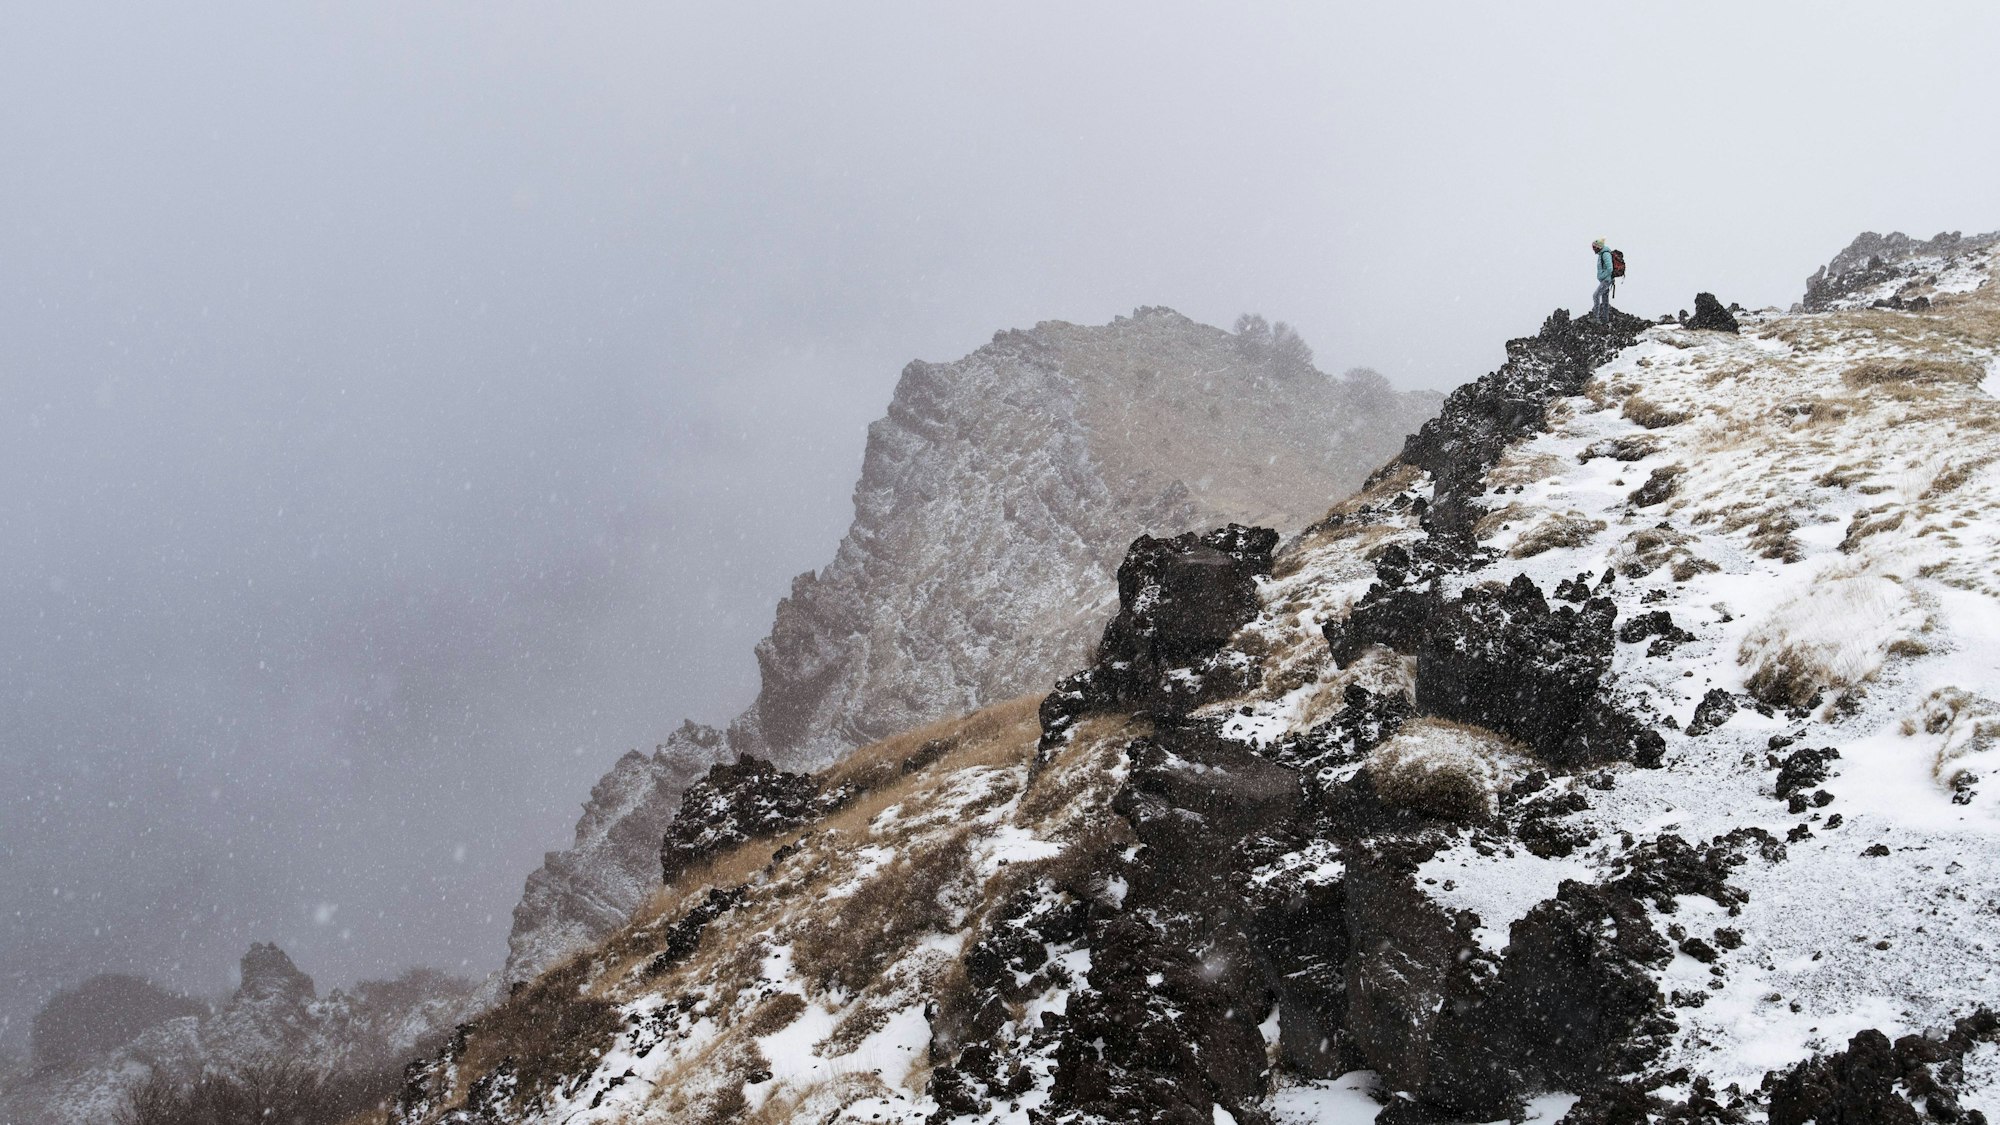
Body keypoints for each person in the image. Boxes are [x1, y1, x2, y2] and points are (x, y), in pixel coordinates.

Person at [1591, 238, 1614, 325]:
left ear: (1599, 247)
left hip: (1606, 280)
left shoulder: (1605, 254)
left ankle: (1595, 318)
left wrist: (1602, 276)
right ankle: (1605, 319)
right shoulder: (1602, 254)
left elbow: (1610, 268)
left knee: (1596, 295)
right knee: (1605, 299)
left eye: (1594, 247)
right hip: (1606, 280)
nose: (1593, 249)